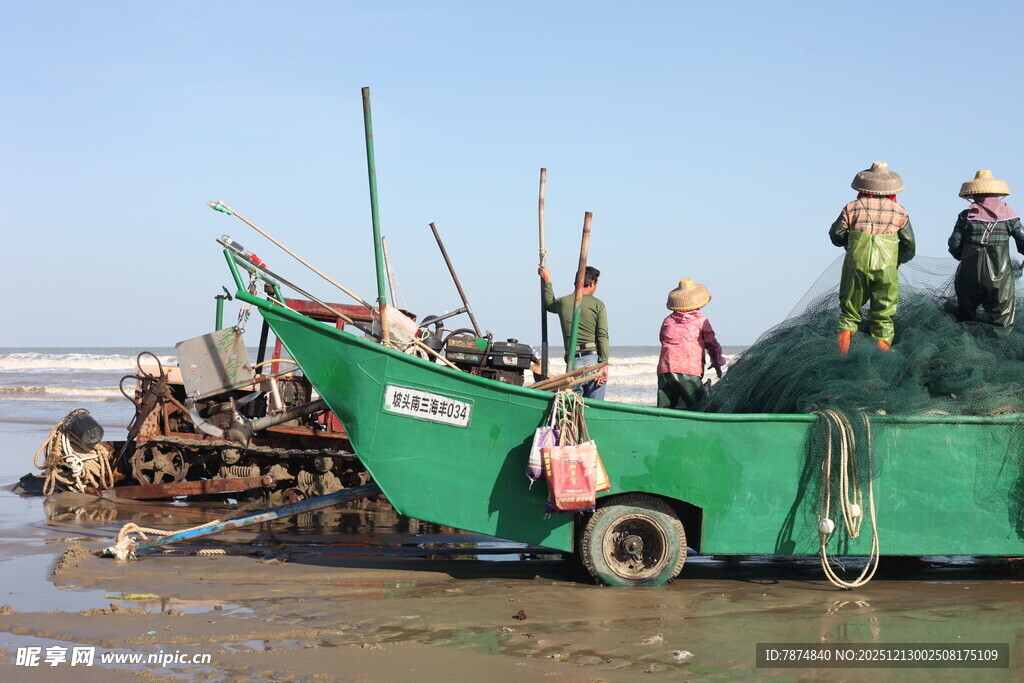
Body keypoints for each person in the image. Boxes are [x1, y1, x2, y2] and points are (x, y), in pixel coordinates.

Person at [829, 161, 916, 353]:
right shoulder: (900, 211)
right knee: (883, 316)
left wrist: (849, 244)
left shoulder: (852, 207)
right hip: (886, 270)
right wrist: (895, 262)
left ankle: (841, 353)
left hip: (855, 266)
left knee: (849, 313)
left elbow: (835, 234)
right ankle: (882, 357)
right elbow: (910, 246)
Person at [948, 170, 1024, 327]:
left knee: (966, 322)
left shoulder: (965, 216)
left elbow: (954, 245)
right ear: (997, 194)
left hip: (968, 277)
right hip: (1000, 281)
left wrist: (962, 256)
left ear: (974, 194)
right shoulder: (1010, 218)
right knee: (1002, 323)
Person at [538, 264, 610, 400]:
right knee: (594, 408)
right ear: (592, 283)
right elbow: (602, 335)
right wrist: (604, 364)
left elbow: (548, 304)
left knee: (573, 407)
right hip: (593, 362)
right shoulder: (598, 305)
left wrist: (547, 280)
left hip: (573, 363)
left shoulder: (563, 302)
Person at [657, 279, 725, 409]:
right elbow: (712, 344)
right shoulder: (701, 321)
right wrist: (717, 362)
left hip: (665, 370)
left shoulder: (668, 321)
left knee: (664, 410)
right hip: (689, 370)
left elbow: (662, 339)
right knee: (698, 408)